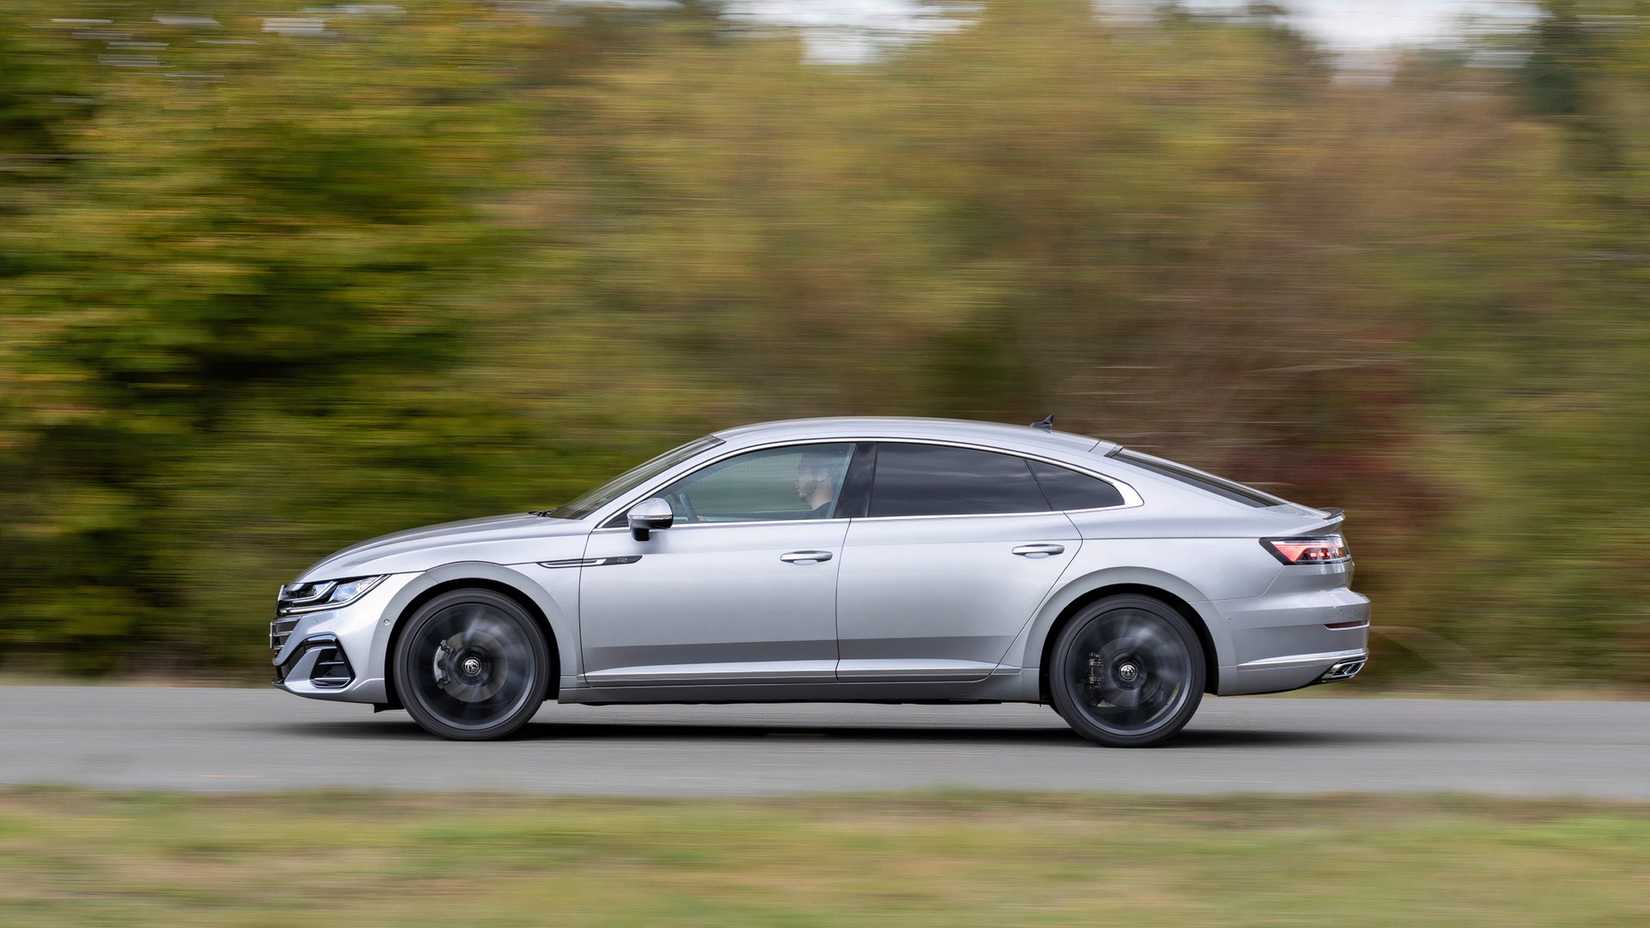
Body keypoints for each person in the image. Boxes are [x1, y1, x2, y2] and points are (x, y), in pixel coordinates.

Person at [793, 446, 845, 518]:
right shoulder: (832, 515)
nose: (796, 480)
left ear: (822, 474)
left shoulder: (820, 519)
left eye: (801, 471)